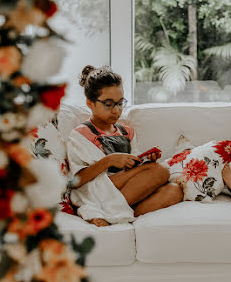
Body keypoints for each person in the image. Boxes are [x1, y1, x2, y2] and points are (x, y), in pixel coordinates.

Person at [66, 65, 183, 227]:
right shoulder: (80, 134)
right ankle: (112, 211)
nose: (116, 110)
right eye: (108, 104)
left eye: (120, 103)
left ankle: (117, 214)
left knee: (174, 190)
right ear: (90, 103)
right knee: (160, 171)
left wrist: (145, 160)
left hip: (128, 190)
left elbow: (137, 170)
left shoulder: (127, 132)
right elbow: (75, 181)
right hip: (102, 189)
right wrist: (109, 161)